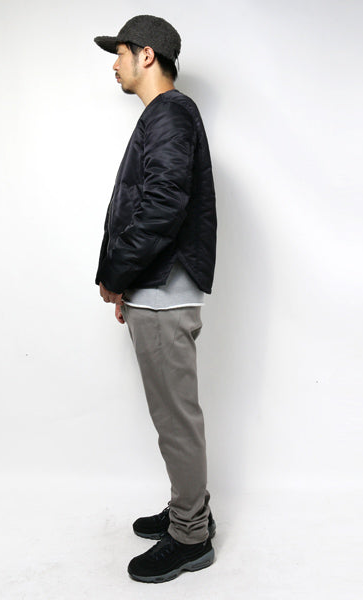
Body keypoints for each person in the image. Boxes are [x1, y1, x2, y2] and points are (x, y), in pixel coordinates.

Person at [93, 15, 218, 583]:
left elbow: (162, 206)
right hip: (156, 285)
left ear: (147, 55)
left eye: (119, 53)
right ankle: (188, 510)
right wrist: (128, 279)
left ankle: (191, 536)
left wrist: (117, 274)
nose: (114, 66)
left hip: (164, 289)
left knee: (175, 418)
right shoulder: (166, 115)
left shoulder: (169, 113)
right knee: (173, 414)